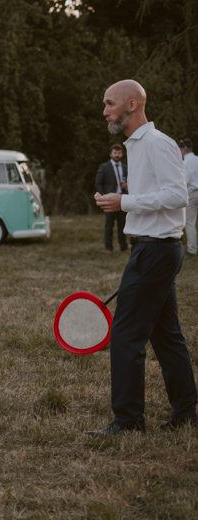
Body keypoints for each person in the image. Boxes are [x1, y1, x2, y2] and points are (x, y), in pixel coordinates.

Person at [92, 79, 197, 436]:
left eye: (110, 103)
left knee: (125, 334)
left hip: (157, 250)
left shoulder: (156, 142)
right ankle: (187, 413)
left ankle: (128, 421)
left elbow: (178, 195)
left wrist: (125, 202)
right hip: (152, 248)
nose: (105, 111)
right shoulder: (135, 146)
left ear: (132, 104)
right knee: (166, 335)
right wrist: (125, 201)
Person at [95, 144, 130, 253]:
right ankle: (109, 248)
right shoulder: (104, 167)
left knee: (122, 224)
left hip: (122, 199)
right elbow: (98, 183)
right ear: (111, 154)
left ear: (122, 154)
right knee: (109, 225)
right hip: (109, 200)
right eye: (115, 153)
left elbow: (131, 181)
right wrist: (104, 197)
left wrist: (127, 185)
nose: (117, 155)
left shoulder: (126, 167)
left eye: (119, 153)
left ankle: (124, 247)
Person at [179, 139, 198, 255]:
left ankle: (192, 249)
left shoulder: (185, 163)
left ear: (182, 150)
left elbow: (185, 181)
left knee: (190, 222)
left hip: (192, 194)